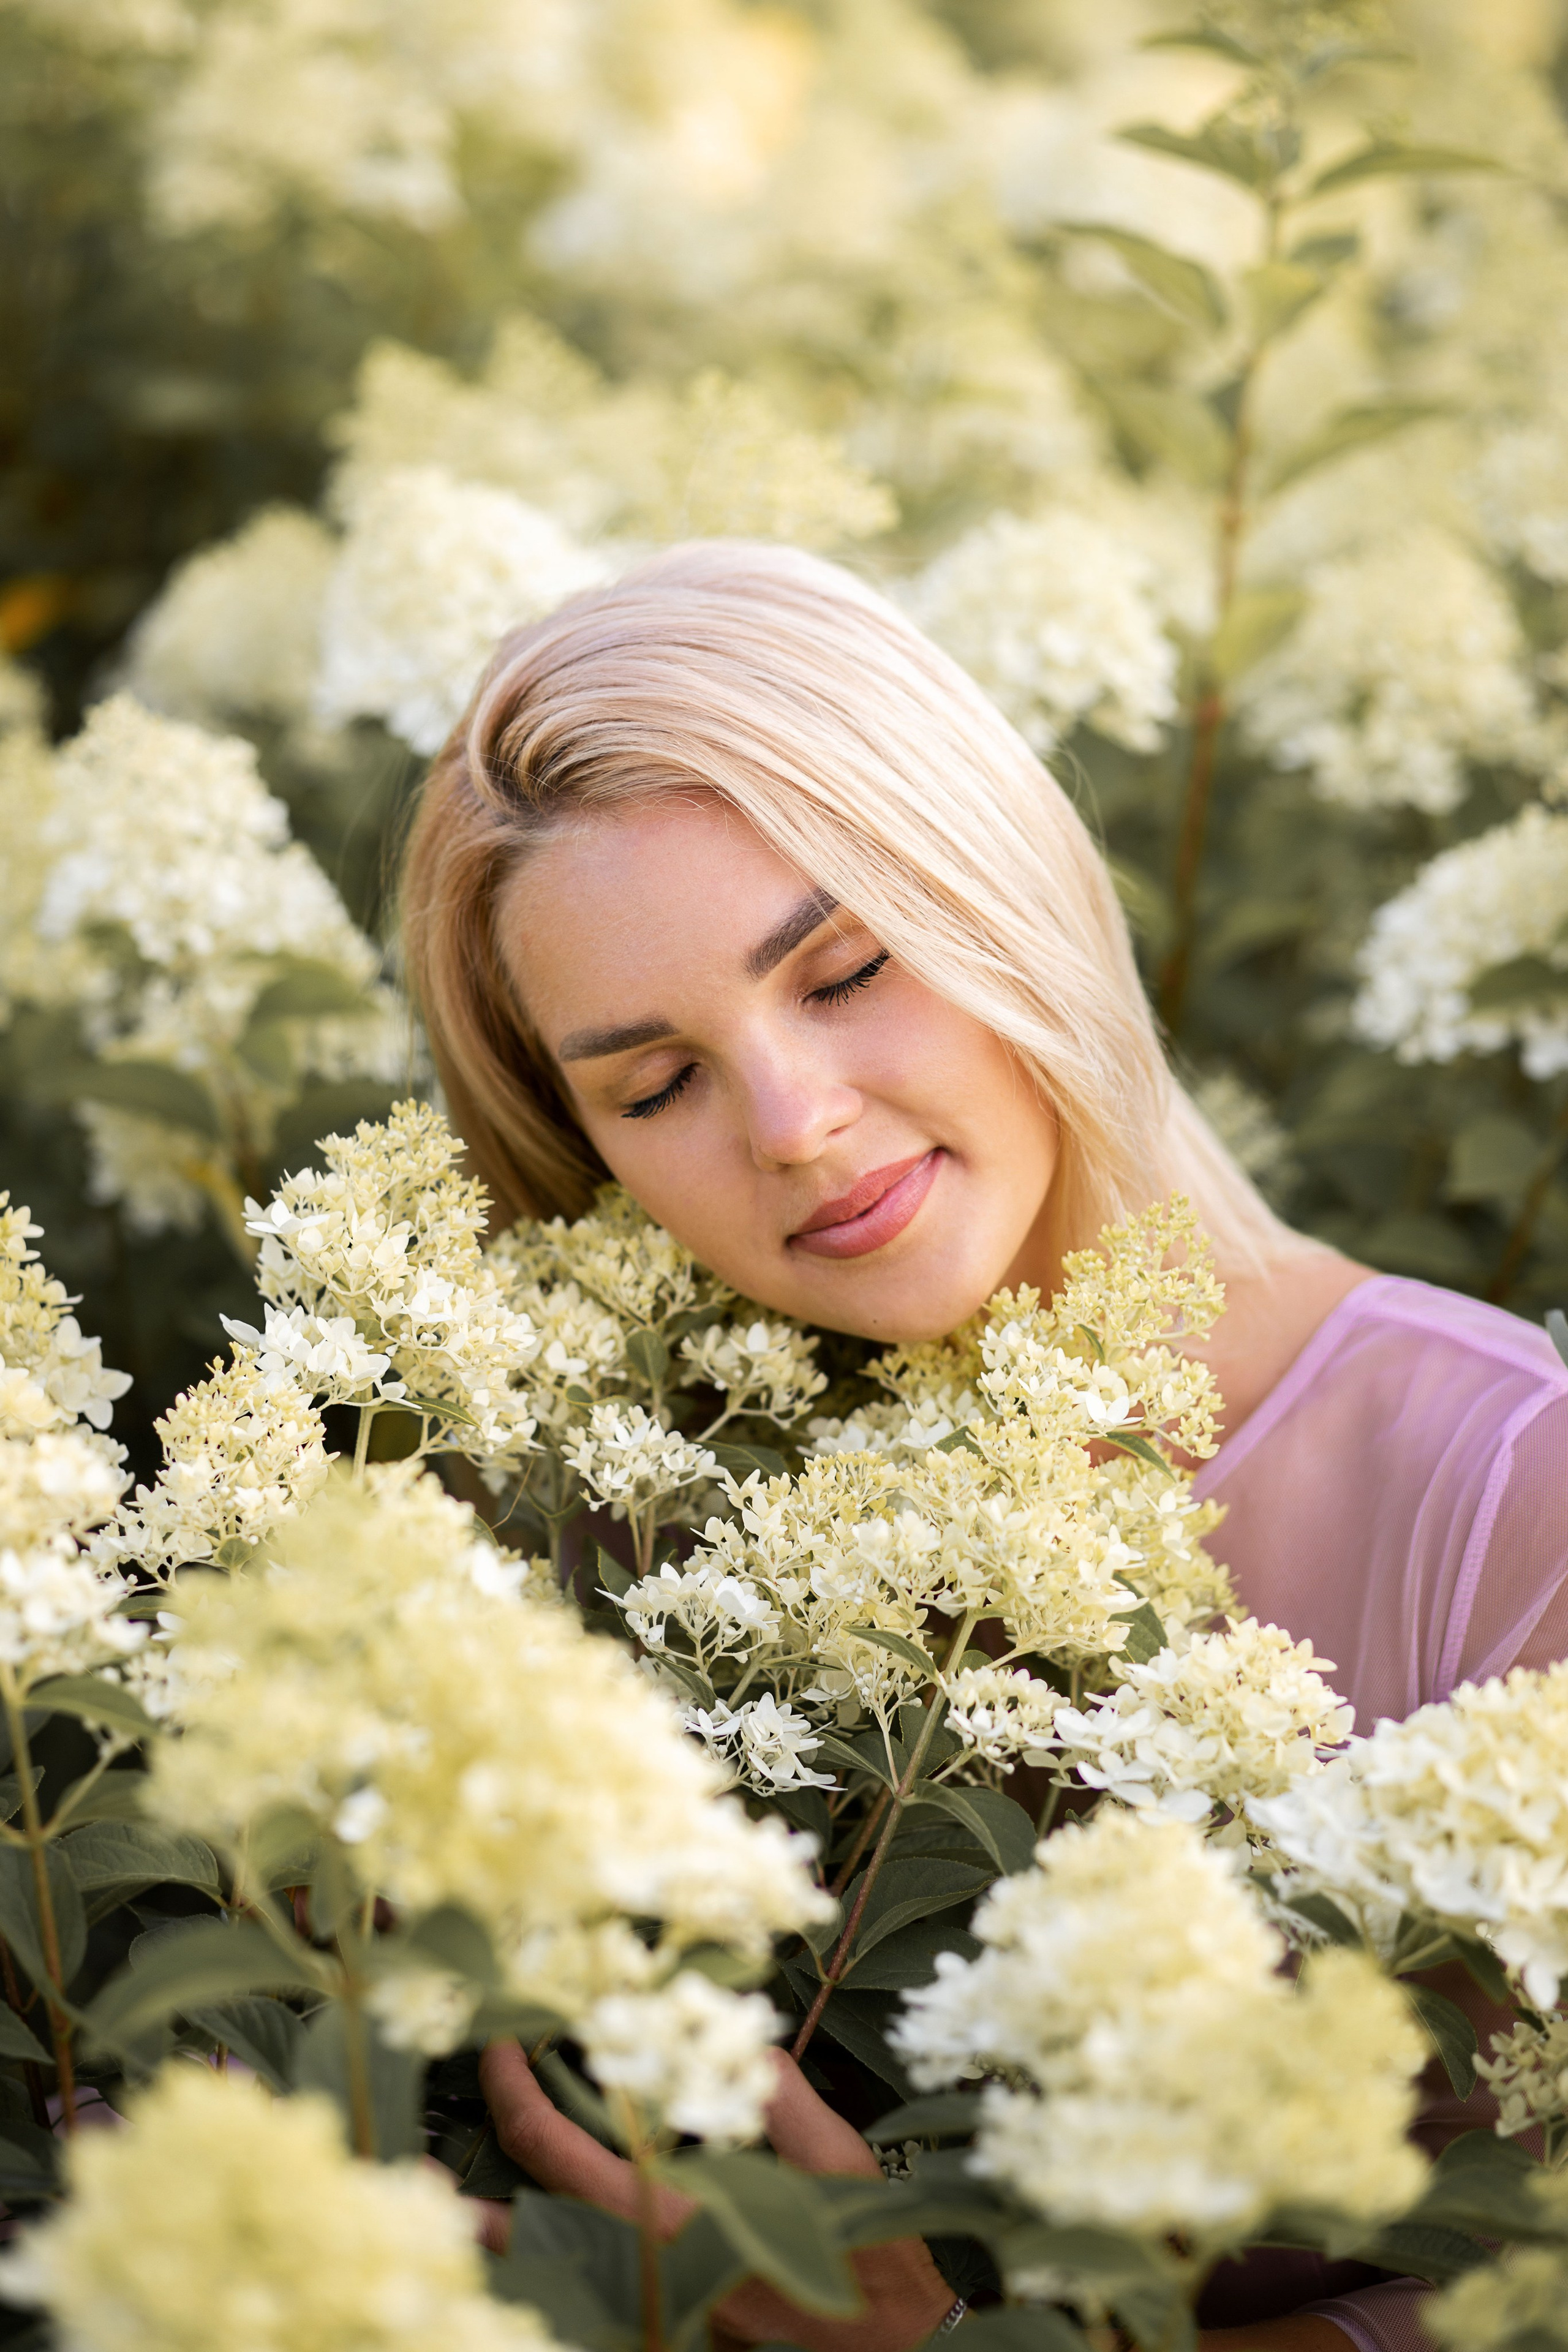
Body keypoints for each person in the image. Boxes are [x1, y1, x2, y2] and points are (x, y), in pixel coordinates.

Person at [401, 541, 1568, 2352]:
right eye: (658, 1085)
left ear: (1007, 888)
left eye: (846, 968)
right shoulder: (641, 1512)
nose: (792, 1123)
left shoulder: (1509, 1493)